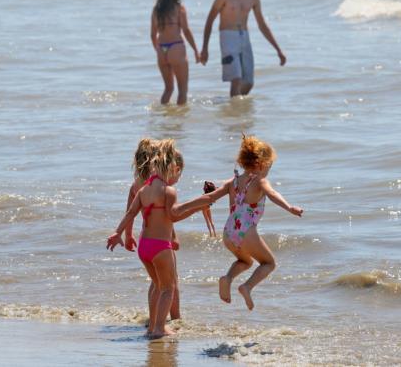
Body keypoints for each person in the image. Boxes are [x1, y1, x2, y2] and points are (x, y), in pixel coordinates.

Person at [107, 140, 219, 339]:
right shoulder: (169, 191)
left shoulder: (142, 190)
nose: (177, 179)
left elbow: (130, 213)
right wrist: (199, 203)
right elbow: (173, 215)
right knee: (168, 287)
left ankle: (152, 326)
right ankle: (160, 328)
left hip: (144, 246)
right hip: (160, 246)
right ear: (174, 168)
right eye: (178, 174)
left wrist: (118, 234)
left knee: (157, 285)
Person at [204, 135, 303, 310]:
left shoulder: (233, 181)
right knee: (269, 263)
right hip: (246, 231)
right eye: (270, 166)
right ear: (261, 164)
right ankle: (247, 287)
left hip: (228, 232)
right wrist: (289, 208)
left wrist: (205, 196)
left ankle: (227, 278)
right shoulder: (260, 180)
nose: (269, 170)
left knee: (246, 262)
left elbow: (214, 195)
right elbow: (272, 194)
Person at [200, 0, 286, 97]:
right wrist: (204, 48)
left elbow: (262, 25)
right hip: (227, 37)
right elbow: (209, 20)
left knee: (249, 82)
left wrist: (278, 50)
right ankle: (235, 115)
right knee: (236, 79)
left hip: (244, 37)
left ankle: (235, 109)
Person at [121, 139, 183, 323]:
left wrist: (128, 235)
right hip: (162, 239)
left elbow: (130, 212)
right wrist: (174, 236)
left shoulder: (139, 185)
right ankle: (175, 318)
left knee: (156, 283)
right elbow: (168, 216)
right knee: (171, 281)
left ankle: (154, 318)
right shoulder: (159, 186)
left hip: (146, 238)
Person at [151, 0, 200, 105]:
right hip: (176, 47)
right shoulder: (179, 8)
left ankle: (163, 117)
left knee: (168, 89)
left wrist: (158, 50)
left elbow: (152, 34)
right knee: (182, 90)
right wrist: (196, 50)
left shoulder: (156, 10)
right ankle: (179, 121)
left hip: (162, 49)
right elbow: (186, 30)